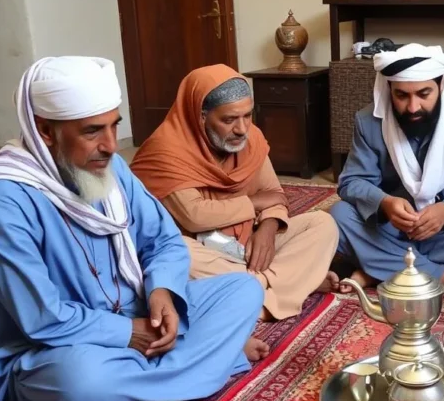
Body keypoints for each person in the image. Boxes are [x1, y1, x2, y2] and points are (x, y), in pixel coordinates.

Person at [0, 57, 267, 401]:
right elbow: (43, 319)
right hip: (52, 350)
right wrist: (130, 333)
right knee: (84, 387)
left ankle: (160, 394)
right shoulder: (2, 201)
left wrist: (162, 292)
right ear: (45, 131)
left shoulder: (111, 167)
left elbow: (163, 241)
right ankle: (196, 375)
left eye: (114, 126)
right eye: (92, 131)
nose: (111, 145)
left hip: (135, 315)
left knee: (243, 289)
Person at [129, 66, 339, 321]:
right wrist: (254, 203)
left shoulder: (251, 139)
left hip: (245, 243)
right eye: (229, 120)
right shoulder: (165, 152)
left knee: (322, 223)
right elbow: (196, 216)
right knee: (178, 253)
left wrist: (268, 227)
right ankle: (287, 284)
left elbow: (273, 193)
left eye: (247, 116)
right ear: (201, 116)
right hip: (201, 249)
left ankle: (256, 292)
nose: (242, 129)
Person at [331, 43, 444, 299]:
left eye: (424, 94)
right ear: (389, 90)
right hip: (388, 228)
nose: (413, 107)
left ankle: (377, 268)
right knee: (338, 217)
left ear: (441, 86)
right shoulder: (368, 121)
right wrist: (385, 203)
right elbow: (352, 182)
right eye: (402, 96)